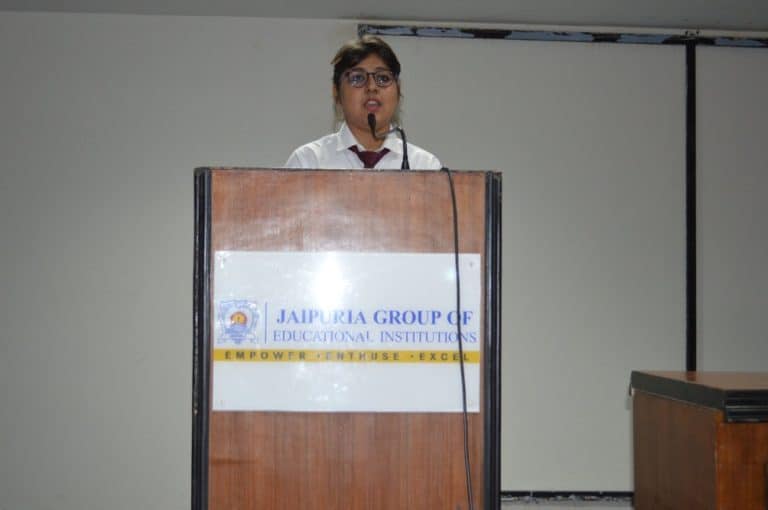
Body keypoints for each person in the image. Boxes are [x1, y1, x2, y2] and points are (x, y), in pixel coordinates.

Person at [285, 35, 441, 170]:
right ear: (336, 92)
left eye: (383, 78)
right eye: (358, 78)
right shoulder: (308, 162)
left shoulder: (425, 166)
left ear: (398, 91)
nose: (372, 87)